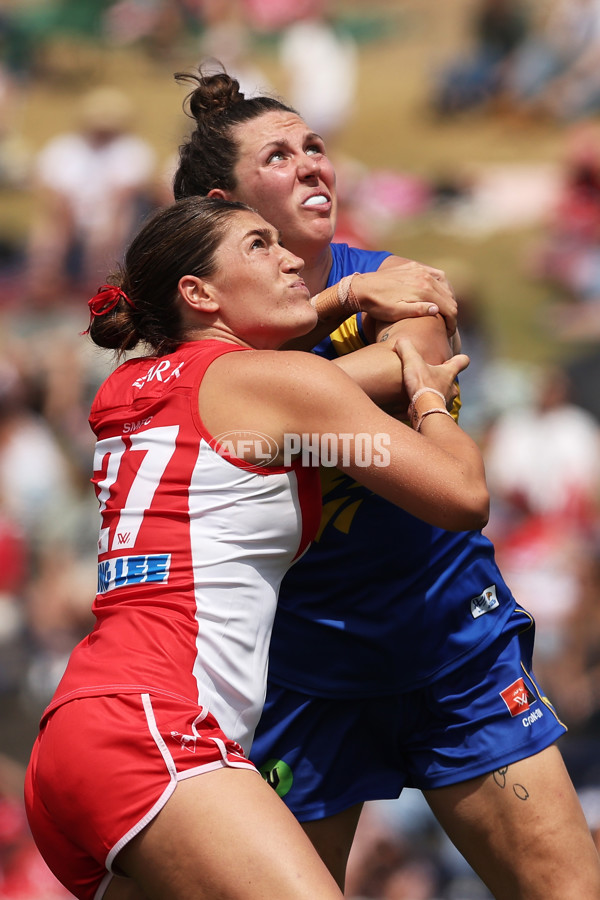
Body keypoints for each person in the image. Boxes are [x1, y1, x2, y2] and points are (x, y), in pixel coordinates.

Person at [172, 67, 600, 898]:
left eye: (316, 147)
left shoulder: (397, 282)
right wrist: (339, 307)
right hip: (299, 670)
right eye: (280, 156)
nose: (311, 166)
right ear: (226, 204)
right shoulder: (201, 332)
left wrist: (319, 339)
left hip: (449, 644)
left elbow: (411, 362)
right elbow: (232, 400)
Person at [23, 194, 489, 900]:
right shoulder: (276, 387)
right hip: (158, 728)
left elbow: (276, 390)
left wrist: (343, 297)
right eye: (259, 246)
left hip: (78, 736)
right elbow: (461, 496)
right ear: (198, 292)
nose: (291, 257)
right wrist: (429, 398)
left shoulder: (121, 389)